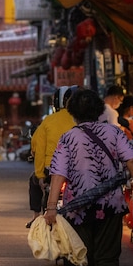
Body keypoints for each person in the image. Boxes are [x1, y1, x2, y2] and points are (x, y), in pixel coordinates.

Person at [44, 89, 133, 266]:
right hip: (110, 204)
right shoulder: (114, 132)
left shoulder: (68, 138)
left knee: (82, 257)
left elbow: (57, 175)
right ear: (100, 109)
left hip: (78, 208)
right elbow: (132, 161)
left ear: (72, 112)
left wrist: (51, 208)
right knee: (108, 253)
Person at [27, 85, 77, 229]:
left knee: (33, 180)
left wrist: (40, 175)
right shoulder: (85, 121)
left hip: (51, 169)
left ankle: (36, 218)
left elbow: (38, 148)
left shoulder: (49, 120)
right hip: (79, 171)